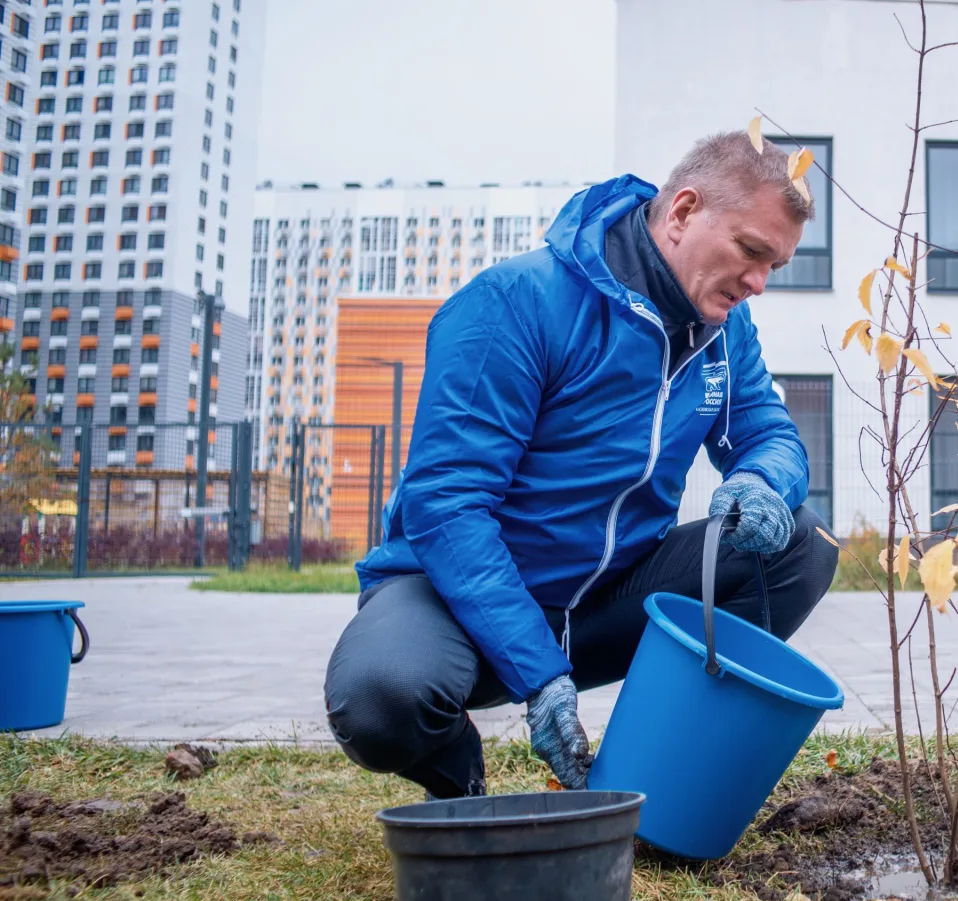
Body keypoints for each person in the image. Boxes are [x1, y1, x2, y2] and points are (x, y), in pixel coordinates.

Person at [323, 134, 839, 799]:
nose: (760, 283)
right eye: (751, 251)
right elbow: (447, 507)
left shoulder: (724, 332)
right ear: (682, 213)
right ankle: (461, 785)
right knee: (379, 699)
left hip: (606, 601)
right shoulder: (515, 304)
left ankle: (649, 776)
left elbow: (767, 432)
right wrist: (539, 675)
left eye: (776, 264)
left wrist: (762, 480)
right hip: (460, 604)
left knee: (803, 541)